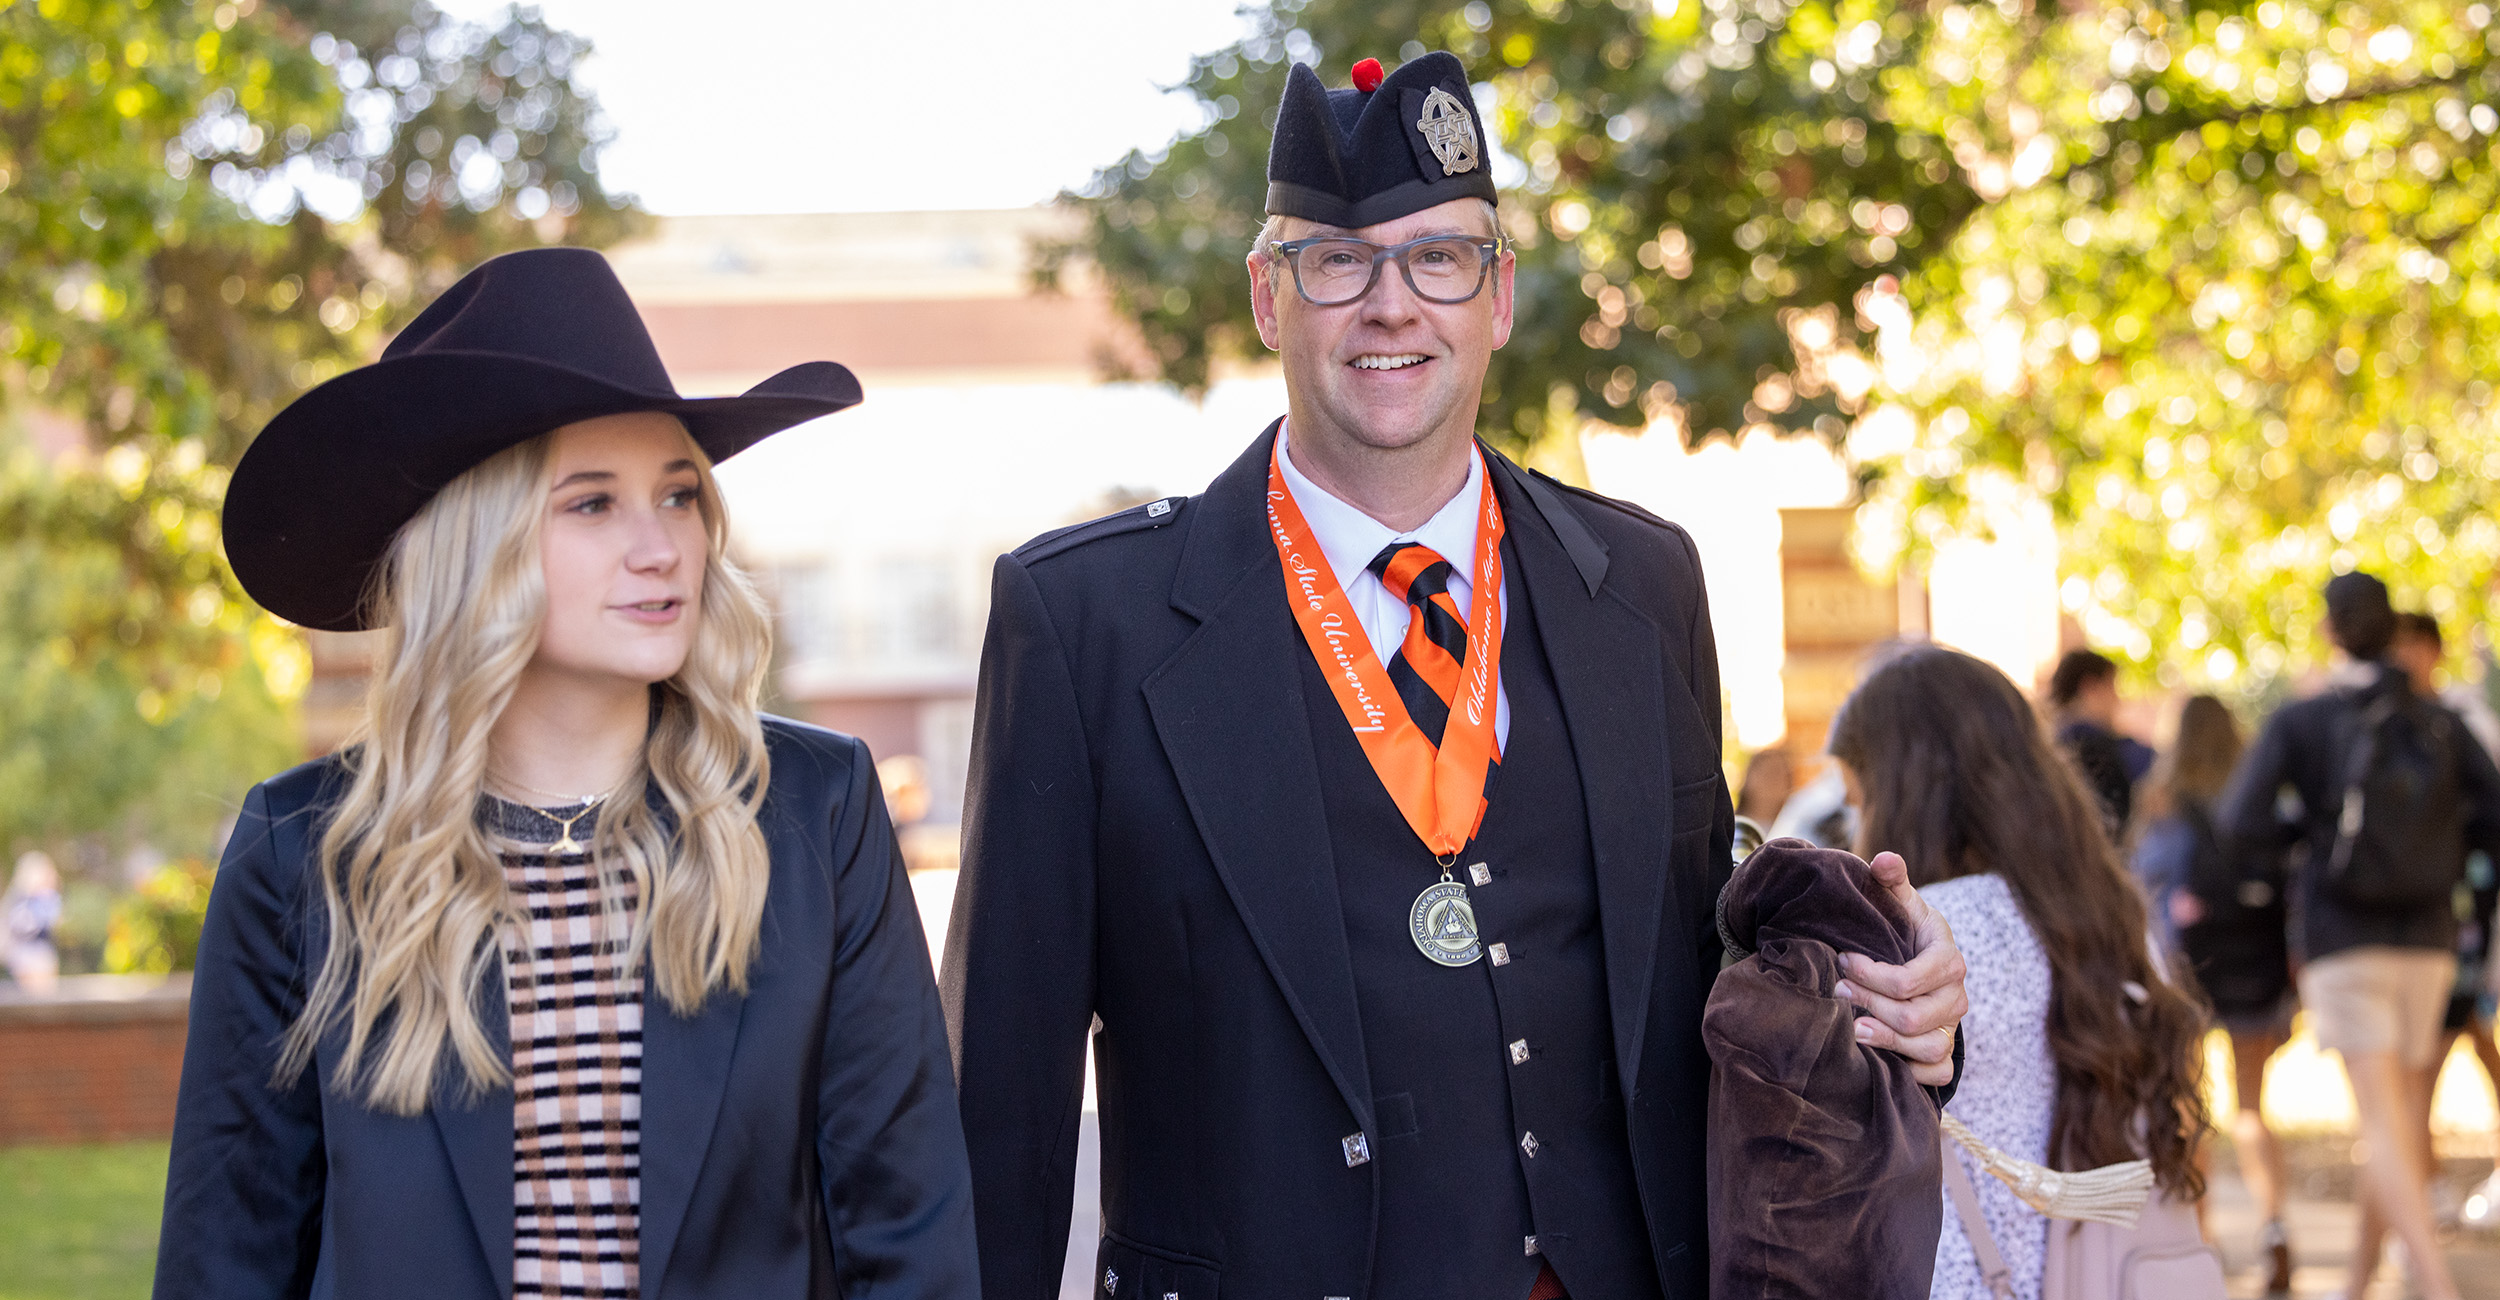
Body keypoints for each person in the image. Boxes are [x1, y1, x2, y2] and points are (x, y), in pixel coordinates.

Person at [944, 52, 1968, 1300]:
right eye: (1337, 260)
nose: (1391, 305)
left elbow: (1707, 994)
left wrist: (1895, 1007)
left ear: (1498, 297)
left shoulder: (1644, 585)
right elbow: (997, 1100)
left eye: (1439, 257)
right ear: (1270, 298)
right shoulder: (1081, 619)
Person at [154, 249, 978, 1299]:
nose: (660, 547)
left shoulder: (813, 812)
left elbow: (907, 1226)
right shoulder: (300, 854)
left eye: (678, 496)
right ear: (474, 549)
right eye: (592, 504)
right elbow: (228, 1261)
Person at [1827, 646, 2209, 1300]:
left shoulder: (1927, 938)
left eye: (1860, 801)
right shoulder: (2108, 916)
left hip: (1962, 1277)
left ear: (1903, 793)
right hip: (2101, 1273)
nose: (1857, 825)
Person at [2220, 572, 2500, 1300]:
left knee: (2384, 1124)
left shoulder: (2304, 721)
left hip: (2343, 939)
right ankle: (2354, 1285)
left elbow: (2239, 823)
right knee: (2399, 1118)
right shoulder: (2440, 720)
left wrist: (2304, 845)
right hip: (2432, 939)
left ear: (2330, 629)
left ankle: (2436, 1287)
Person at [2132, 695, 2294, 1293]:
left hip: (2187, 972)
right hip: (2254, 967)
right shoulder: (2257, 799)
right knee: (2252, 1110)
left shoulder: (2161, 800)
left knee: (2189, 1106)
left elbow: (2145, 891)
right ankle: (2275, 1226)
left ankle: (2201, 1237)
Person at [2390, 611, 2500, 1224]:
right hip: (2417, 917)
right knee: (2428, 1050)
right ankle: (2421, 1179)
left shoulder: (2462, 723)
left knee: (2456, 1040)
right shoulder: (2384, 722)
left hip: (2465, 913)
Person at [2047, 649, 2155, 835]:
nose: (2118, 699)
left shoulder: (2047, 745)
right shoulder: (2091, 745)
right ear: (2090, 688)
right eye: (2112, 687)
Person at [2, 851, 63, 995]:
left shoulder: (42, 899)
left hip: (39, 955)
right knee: (35, 999)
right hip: (29, 958)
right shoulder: (25, 901)